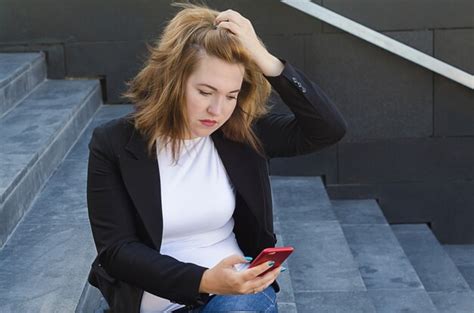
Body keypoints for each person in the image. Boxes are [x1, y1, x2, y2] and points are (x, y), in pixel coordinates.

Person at [86, 3, 347, 313]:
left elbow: (328, 128)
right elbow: (116, 251)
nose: (218, 110)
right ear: (173, 81)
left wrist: (264, 59)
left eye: (231, 95)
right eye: (205, 92)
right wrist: (206, 281)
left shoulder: (242, 134)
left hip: (238, 297)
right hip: (154, 301)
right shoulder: (114, 143)